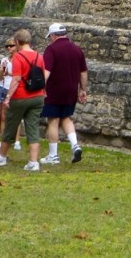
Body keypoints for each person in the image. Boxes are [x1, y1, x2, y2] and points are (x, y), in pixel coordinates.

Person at [0, 29, 44, 171]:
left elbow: (16, 79)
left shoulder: (19, 57)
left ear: (18, 42)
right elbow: (42, 76)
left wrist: (8, 97)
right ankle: (33, 162)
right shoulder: (39, 56)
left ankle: (1, 156)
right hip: (37, 96)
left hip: (21, 96)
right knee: (32, 128)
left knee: (10, 126)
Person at [40, 23, 87, 165]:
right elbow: (83, 72)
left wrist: (41, 87)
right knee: (66, 118)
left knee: (53, 120)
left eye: (50, 37)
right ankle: (75, 145)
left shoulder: (51, 49)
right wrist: (83, 90)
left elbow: (46, 72)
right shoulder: (77, 49)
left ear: (53, 35)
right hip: (71, 90)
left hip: (55, 90)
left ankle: (53, 155)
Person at [0, 39, 23, 151]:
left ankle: (16, 141)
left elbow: (19, 76)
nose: (9, 48)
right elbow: (0, 76)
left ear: (16, 46)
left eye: (11, 46)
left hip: (13, 88)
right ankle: (3, 140)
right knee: (2, 116)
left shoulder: (20, 60)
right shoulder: (5, 60)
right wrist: (1, 70)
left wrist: (9, 73)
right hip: (3, 86)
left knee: (16, 115)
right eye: (7, 46)